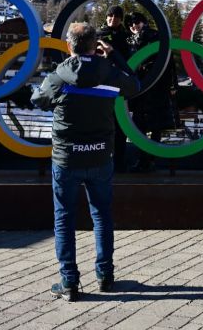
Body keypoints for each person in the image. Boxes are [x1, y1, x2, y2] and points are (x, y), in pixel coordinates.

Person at [31, 22, 140, 301]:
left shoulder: (59, 76)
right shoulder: (110, 72)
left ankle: (69, 281)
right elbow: (134, 85)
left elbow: (37, 100)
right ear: (96, 46)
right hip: (101, 155)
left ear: (69, 46)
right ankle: (105, 276)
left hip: (66, 158)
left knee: (64, 217)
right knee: (102, 215)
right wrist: (114, 55)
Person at [126, 11, 176, 172]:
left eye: (136, 22)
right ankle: (148, 160)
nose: (134, 26)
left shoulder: (151, 37)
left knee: (145, 125)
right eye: (131, 24)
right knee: (152, 125)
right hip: (151, 87)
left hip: (148, 87)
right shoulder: (136, 39)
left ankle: (146, 161)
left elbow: (163, 61)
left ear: (144, 22)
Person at [98, 5, 131, 172]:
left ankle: (119, 162)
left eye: (117, 17)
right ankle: (102, 161)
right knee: (101, 125)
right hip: (101, 85)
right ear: (106, 17)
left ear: (121, 19)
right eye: (110, 16)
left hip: (120, 86)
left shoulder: (126, 36)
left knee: (120, 126)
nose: (113, 19)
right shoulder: (98, 34)